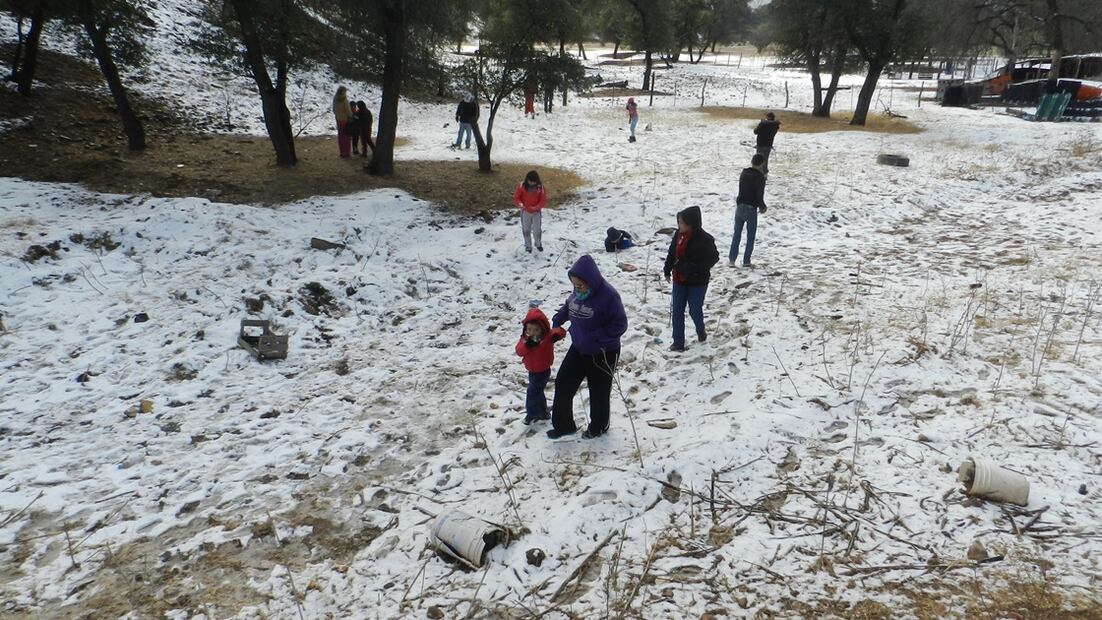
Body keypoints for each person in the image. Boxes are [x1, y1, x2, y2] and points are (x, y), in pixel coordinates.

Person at [547, 255, 628, 440]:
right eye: (574, 285)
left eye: (580, 285)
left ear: (590, 281)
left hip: (603, 352)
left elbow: (620, 325)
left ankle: (599, 426)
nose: (577, 289)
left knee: (598, 391)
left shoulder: (609, 296)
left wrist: (596, 337)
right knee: (563, 382)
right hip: (579, 348)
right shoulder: (578, 292)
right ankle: (563, 425)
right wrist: (558, 321)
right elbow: (569, 306)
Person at [663, 206, 719, 352]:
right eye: (678, 222)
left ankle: (700, 330)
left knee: (694, 310)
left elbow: (714, 258)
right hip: (679, 279)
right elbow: (671, 253)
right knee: (677, 311)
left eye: (681, 222)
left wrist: (695, 268)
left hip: (697, 282)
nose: (678, 225)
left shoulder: (705, 239)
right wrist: (667, 269)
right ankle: (678, 342)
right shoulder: (678, 235)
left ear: (691, 223)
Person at [515, 306, 567, 425]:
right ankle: (543, 412)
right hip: (532, 371)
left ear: (542, 329)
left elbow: (559, 331)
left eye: (536, 330)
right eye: (529, 330)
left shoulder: (547, 338)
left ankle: (532, 414)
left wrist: (557, 334)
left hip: (543, 371)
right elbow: (519, 351)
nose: (532, 333)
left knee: (533, 392)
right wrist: (527, 345)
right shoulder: (525, 340)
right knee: (538, 392)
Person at [729, 153, 768, 268]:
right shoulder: (760, 178)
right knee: (750, 236)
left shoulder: (744, 173)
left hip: (740, 207)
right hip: (751, 209)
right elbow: (759, 196)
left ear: (752, 161)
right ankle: (746, 261)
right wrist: (763, 207)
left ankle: (732, 259)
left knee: (737, 234)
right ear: (762, 164)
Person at [513, 170, 547, 253]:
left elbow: (543, 200)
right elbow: (516, 197)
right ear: (527, 179)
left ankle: (538, 244)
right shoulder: (521, 186)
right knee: (526, 229)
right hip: (525, 211)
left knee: (537, 230)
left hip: (536, 212)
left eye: (533, 182)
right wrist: (521, 205)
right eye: (530, 181)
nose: (531, 183)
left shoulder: (540, 187)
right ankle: (528, 246)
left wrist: (536, 207)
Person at [753, 111, 780, 178]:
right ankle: (765, 173)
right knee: (765, 159)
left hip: (761, 144)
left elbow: (755, 132)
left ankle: (758, 173)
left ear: (769, 117)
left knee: (759, 159)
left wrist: (760, 125)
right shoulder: (776, 125)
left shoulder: (763, 124)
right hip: (768, 144)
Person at [332, 86, 353, 158]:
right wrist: (351, 116)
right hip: (345, 120)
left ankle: (342, 152)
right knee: (346, 137)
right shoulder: (344, 100)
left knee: (340, 136)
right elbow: (348, 111)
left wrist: (337, 115)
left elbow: (334, 109)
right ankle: (346, 153)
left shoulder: (335, 98)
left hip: (338, 119)